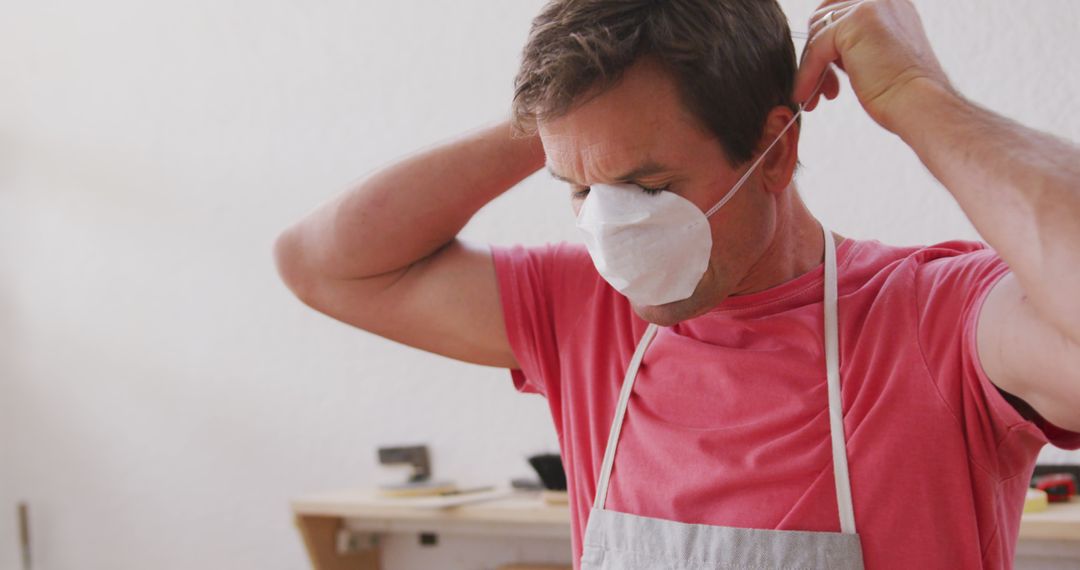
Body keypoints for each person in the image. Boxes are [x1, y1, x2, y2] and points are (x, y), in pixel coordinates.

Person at [274, 0, 1080, 567]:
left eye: (649, 186)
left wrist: (917, 98)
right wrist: (565, 120)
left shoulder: (935, 321)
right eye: (581, 191)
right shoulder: (583, 314)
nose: (611, 232)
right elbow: (321, 265)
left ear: (776, 153)